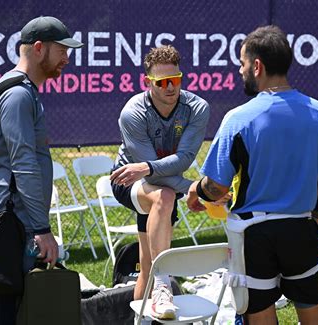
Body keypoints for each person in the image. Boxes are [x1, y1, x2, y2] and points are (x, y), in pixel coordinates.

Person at [187, 25, 318, 325]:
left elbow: (217, 186)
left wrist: (197, 191)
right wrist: (316, 219)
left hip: (253, 235)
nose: (240, 70)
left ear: (257, 66)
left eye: (242, 63)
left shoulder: (239, 118)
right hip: (302, 229)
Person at [0, 16, 83, 324]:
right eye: (62, 50)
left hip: (12, 224)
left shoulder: (22, 91)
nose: (67, 58)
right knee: (10, 314)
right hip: (15, 226)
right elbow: (23, 165)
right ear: (39, 48)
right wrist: (41, 230)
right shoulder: (18, 95)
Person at [110, 45, 210, 320]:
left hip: (160, 181)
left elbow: (184, 158)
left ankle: (140, 319)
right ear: (147, 83)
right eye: (162, 82)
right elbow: (151, 175)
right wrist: (192, 187)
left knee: (146, 264)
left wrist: (154, 169)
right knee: (164, 196)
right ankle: (164, 283)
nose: (170, 88)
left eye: (175, 80)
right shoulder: (133, 112)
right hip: (128, 181)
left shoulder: (197, 108)